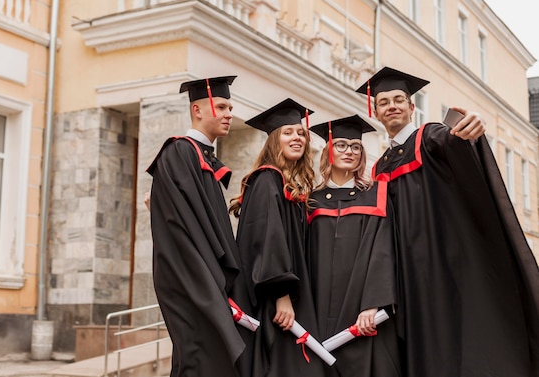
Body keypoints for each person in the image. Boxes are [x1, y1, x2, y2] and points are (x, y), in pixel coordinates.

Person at [356, 66, 539, 377]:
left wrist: (471, 128)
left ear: (412, 107)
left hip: (442, 260)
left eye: (399, 99)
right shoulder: (380, 167)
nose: (392, 106)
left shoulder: (428, 136)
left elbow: (454, 139)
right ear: (376, 111)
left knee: (453, 334)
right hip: (407, 272)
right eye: (384, 102)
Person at [146, 75, 246, 377]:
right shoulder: (179, 153)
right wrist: (212, 283)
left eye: (230, 107)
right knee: (200, 358)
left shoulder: (202, 158)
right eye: (222, 106)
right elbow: (182, 229)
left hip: (205, 279)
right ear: (198, 110)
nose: (230, 114)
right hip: (191, 279)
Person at [228, 98, 325, 377]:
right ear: (273, 141)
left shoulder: (287, 185)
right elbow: (267, 239)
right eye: (287, 132)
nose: (296, 138)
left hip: (289, 295)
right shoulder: (267, 180)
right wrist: (281, 294)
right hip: (273, 297)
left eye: (300, 133)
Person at [307, 115, 400, 377]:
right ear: (328, 151)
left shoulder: (376, 195)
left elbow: (383, 250)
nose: (349, 151)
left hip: (362, 310)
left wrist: (373, 303)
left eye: (355, 146)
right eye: (341, 145)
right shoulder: (310, 201)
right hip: (318, 305)